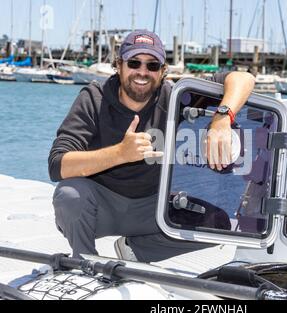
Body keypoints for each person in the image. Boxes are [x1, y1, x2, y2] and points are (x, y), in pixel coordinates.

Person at [48, 30, 255, 261]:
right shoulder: (94, 98)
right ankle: (84, 259)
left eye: (152, 65)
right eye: (134, 63)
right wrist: (120, 154)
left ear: (163, 71)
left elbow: (243, 78)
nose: (142, 72)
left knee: (219, 223)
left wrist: (223, 117)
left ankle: (135, 251)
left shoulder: (176, 96)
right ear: (119, 65)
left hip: (153, 207)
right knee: (69, 196)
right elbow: (58, 165)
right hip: (102, 206)